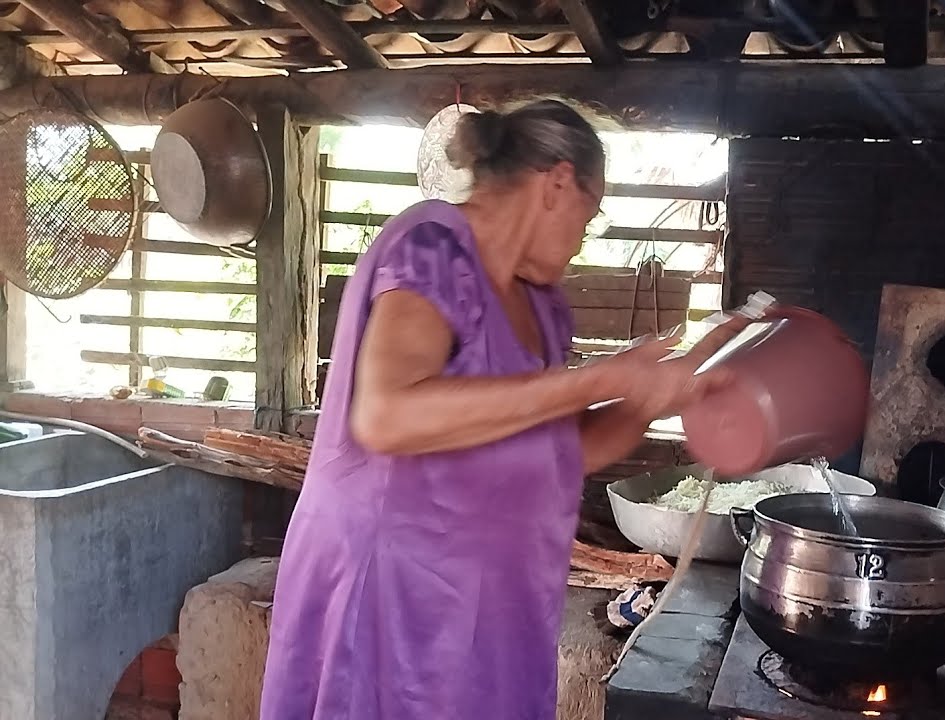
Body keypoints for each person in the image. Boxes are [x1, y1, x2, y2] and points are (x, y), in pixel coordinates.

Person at [259, 98, 747, 720]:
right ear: (558, 183)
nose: (580, 242)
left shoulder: (544, 309)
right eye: (588, 218)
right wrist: (599, 378)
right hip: (390, 593)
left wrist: (657, 395)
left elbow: (568, 451)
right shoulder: (432, 246)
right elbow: (386, 417)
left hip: (490, 602)